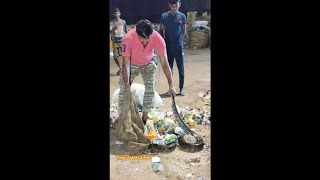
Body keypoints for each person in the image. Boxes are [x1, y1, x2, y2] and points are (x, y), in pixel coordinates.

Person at [118, 19, 176, 123]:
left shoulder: (158, 39)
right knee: (123, 88)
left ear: (152, 33)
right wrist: (127, 83)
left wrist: (171, 85)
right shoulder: (128, 38)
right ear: (137, 33)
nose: (145, 42)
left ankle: (145, 116)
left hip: (148, 61)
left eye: (147, 39)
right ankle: (122, 116)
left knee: (150, 89)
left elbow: (164, 63)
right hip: (132, 63)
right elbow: (125, 63)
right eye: (141, 39)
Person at [159, 0, 187, 96]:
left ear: (179, 5)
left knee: (181, 67)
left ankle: (181, 88)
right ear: (169, 6)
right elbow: (161, 30)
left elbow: (183, 30)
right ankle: (171, 88)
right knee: (169, 67)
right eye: (172, 6)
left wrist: (180, 41)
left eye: (176, 6)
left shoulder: (182, 16)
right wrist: (163, 43)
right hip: (168, 46)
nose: (174, 8)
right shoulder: (164, 16)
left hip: (179, 46)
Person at [110, 8, 127, 75]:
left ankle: (124, 68)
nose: (116, 14)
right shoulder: (111, 22)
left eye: (117, 13)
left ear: (120, 14)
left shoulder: (123, 22)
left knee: (125, 56)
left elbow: (125, 31)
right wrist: (114, 28)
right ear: (113, 14)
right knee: (115, 57)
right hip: (115, 42)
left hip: (123, 42)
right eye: (115, 13)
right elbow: (110, 31)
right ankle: (120, 68)